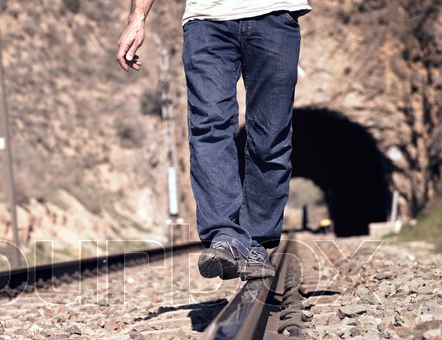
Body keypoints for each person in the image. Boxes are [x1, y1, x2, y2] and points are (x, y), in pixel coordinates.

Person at [117, 0, 310, 280]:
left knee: (270, 136)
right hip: (206, 20)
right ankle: (225, 235)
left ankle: (256, 241)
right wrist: (137, 18)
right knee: (208, 127)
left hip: (275, 15)